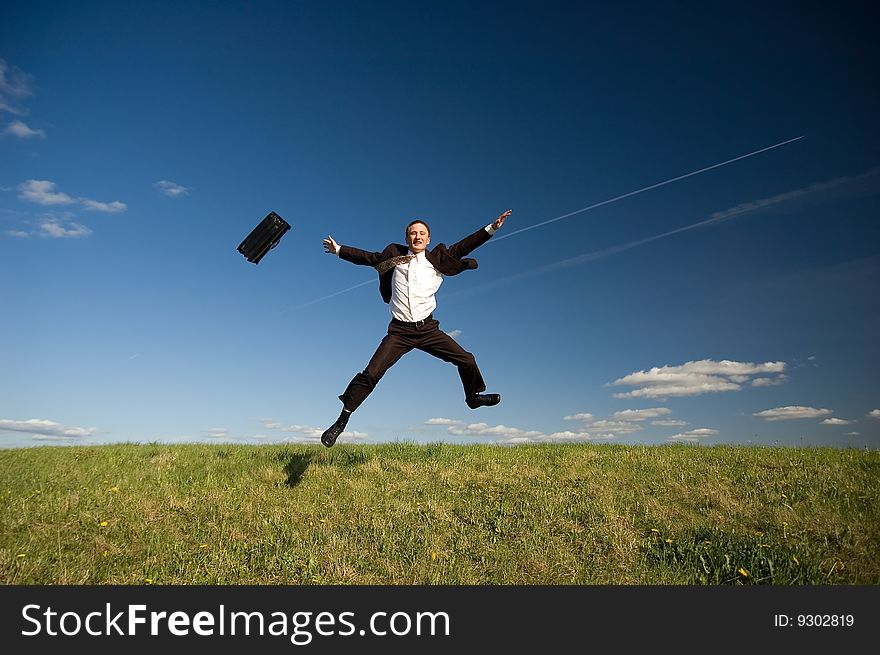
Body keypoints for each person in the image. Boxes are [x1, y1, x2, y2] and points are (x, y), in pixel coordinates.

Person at [319, 209, 512, 447]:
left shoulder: (437, 260)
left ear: (428, 239)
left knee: (467, 360)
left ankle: (472, 397)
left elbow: (464, 247)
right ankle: (341, 421)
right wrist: (339, 250)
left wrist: (491, 228)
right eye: (413, 233)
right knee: (372, 372)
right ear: (407, 238)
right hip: (399, 332)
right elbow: (367, 257)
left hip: (428, 329)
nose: (417, 237)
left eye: (422, 234)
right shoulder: (394, 257)